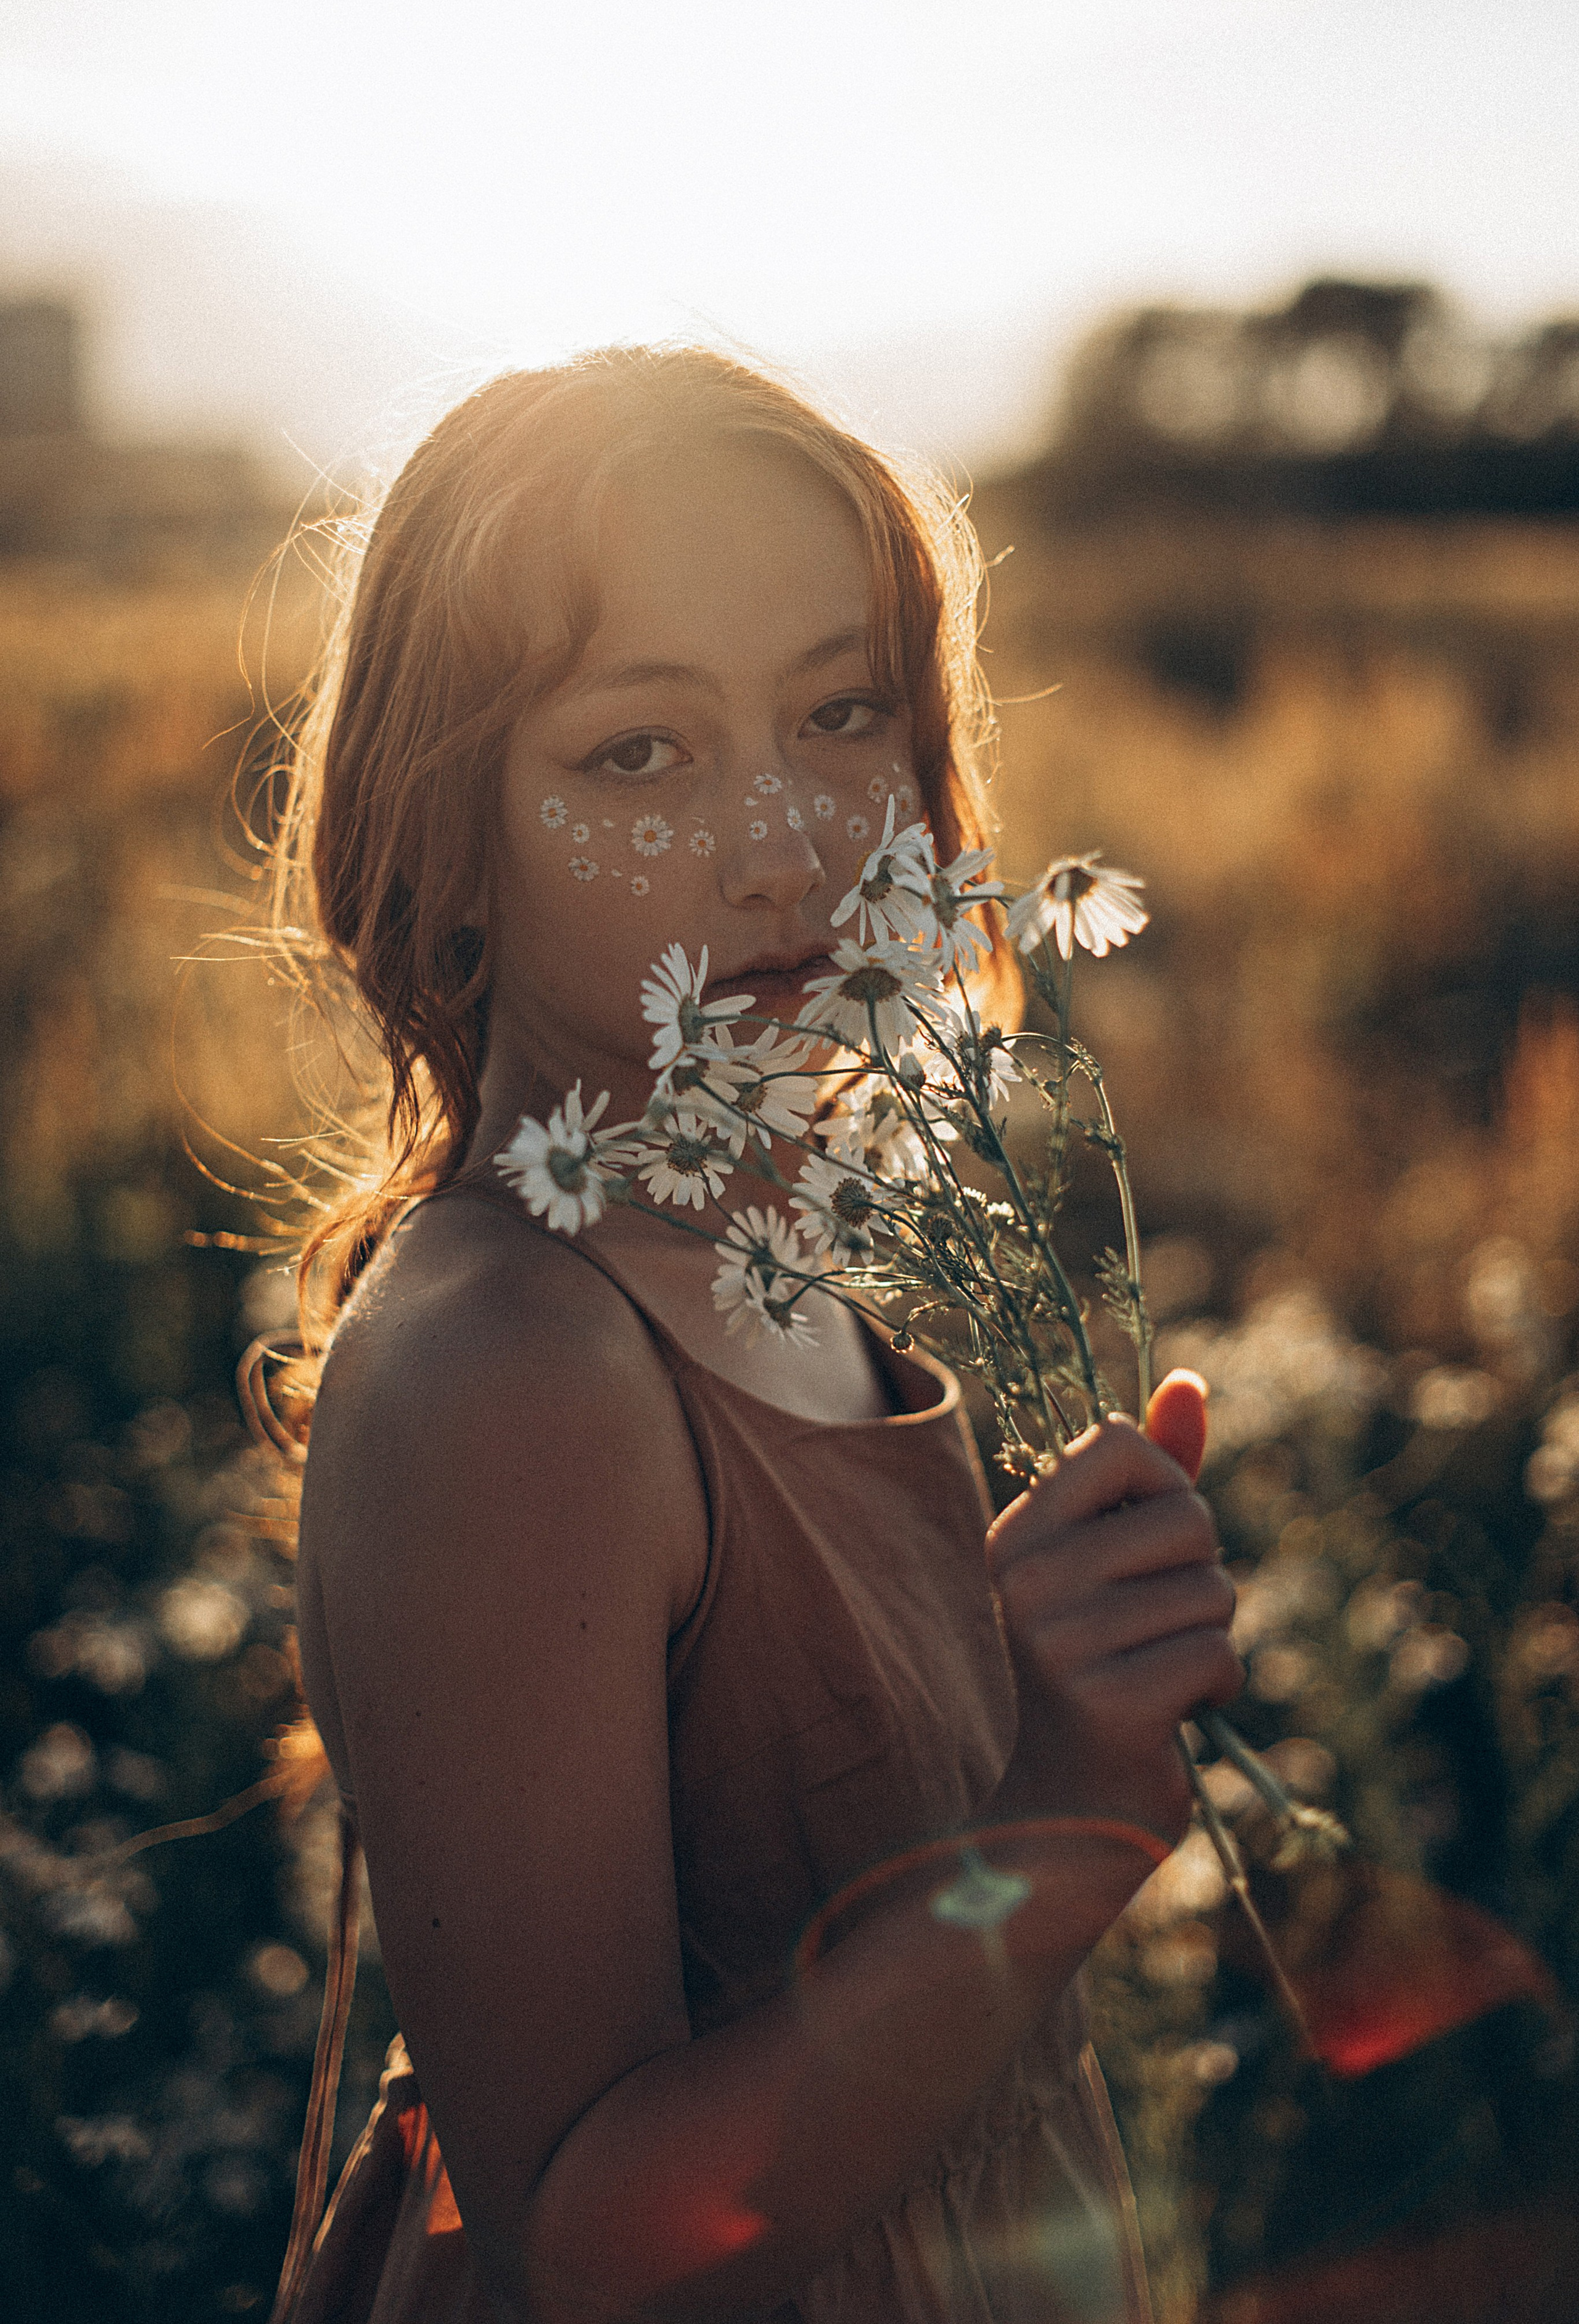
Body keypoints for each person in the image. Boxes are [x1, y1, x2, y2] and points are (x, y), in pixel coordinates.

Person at [273, 347, 1243, 2324]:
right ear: (447, 835)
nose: (788, 841)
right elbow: (592, 2241)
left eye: (842, 711)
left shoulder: (789, 1249)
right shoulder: (510, 1375)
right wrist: (1063, 1816)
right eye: (641, 754)